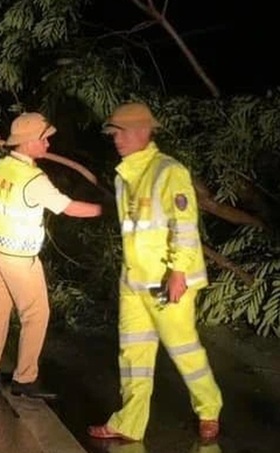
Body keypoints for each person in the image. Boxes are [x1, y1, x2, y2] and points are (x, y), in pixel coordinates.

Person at [87, 102, 222, 441]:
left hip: (167, 281)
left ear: (143, 132)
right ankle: (129, 423)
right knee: (133, 354)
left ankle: (209, 409)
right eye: (113, 133)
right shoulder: (124, 176)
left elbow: (185, 224)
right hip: (133, 281)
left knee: (184, 348)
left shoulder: (168, 171)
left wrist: (178, 272)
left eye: (121, 132)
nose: (115, 138)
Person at [0, 112, 102, 398]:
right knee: (36, 313)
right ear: (30, 142)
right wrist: (104, 211)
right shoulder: (34, 179)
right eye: (44, 139)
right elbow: (68, 208)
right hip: (19, 259)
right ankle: (25, 379)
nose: (48, 143)